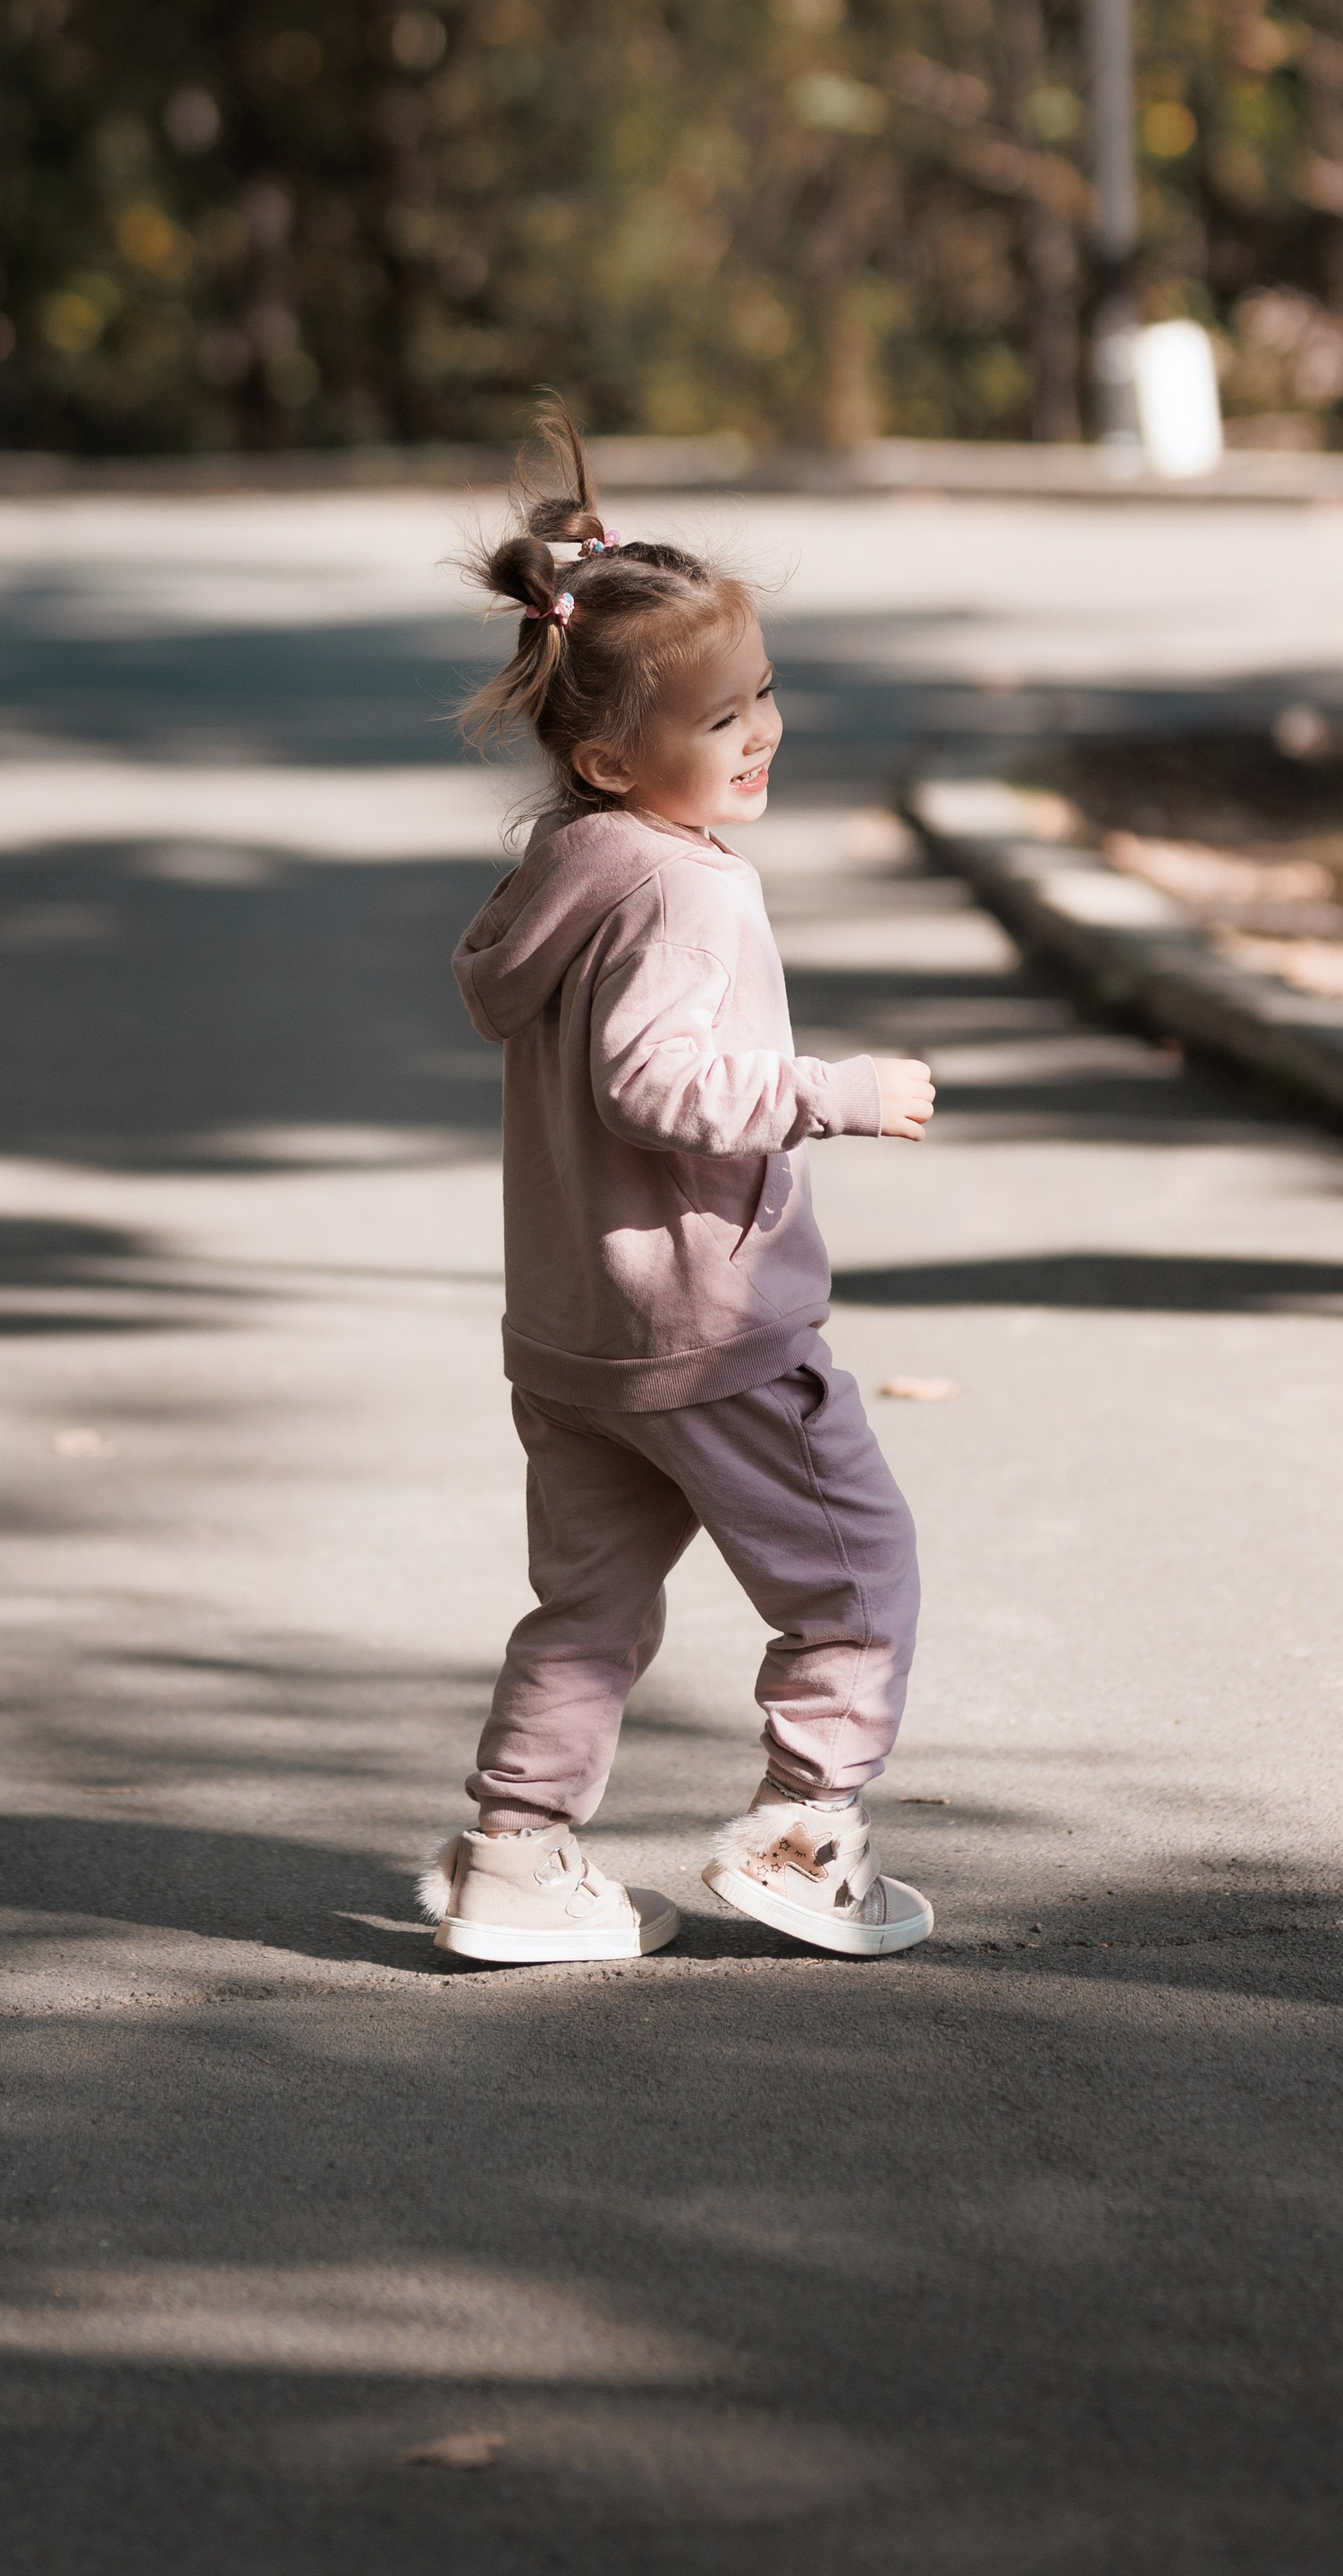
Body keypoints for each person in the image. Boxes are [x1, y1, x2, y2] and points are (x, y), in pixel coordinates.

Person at [418, 396, 937, 1965]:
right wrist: (830, 1095)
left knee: (586, 1609)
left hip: (579, 1341)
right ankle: (801, 1833)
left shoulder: (561, 872)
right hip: (709, 1335)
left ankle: (514, 1859)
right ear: (608, 753)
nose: (761, 732)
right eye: (721, 720)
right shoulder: (690, 889)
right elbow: (656, 1082)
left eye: (764, 694)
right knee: (854, 1578)